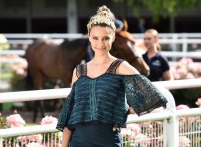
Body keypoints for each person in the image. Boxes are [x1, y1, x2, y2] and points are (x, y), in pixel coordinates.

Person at [56, 5, 167, 147]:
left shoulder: (121, 66)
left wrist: (122, 110)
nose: (100, 43)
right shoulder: (79, 71)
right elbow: (70, 115)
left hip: (108, 141)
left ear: (113, 38)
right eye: (95, 38)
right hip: (78, 141)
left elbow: (150, 95)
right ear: (89, 38)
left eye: (105, 38)